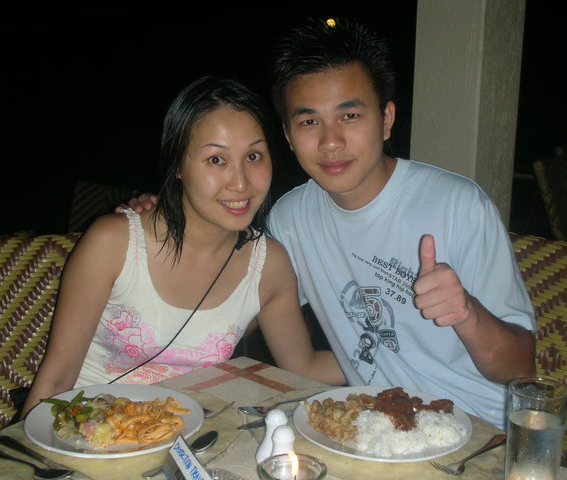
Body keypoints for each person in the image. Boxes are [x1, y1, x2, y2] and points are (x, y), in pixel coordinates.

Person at [122, 18, 536, 429]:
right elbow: (232, 311)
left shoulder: (458, 206)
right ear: (288, 135)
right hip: (376, 427)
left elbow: (520, 369)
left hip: (480, 431)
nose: (330, 141)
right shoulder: (291, 218)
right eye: (309, 121)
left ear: (386, 118)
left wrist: (466, 313)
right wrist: (169, 222)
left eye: (349, 115)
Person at [21, 76, 345, 418]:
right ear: (178, 166)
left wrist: (388, 358)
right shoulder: (115, 243)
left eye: (253, 156)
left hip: (182, 434)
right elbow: (56, 380)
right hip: (84, 428)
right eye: (216, 160)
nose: (240, 183)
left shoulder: (269, 265)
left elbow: (304, 367)